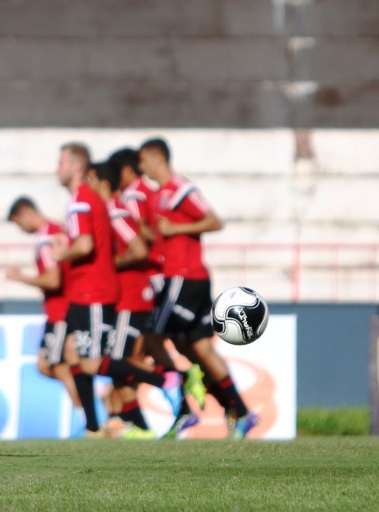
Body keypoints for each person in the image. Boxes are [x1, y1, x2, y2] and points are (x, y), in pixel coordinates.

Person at [51, 143, 180, 437]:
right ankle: (94, 427)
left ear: (77, 167)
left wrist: (63, 254)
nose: (55, 170)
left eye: (60, 163)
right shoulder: (88, 200)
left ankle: (166, 381)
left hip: (95, 292)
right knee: (73, 354)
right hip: (85, 291)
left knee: (93, 362)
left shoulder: (84, 200)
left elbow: (86, 245)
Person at [138, 137, 259, 439]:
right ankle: (241, 412)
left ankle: (184, 402)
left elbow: (214, 221)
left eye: (144, 161)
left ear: (157, 159)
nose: (142, 168)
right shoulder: (159, 196)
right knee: (200, 347)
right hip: (184, 277)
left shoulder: (181, 190)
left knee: (151, 338)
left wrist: (176, 228)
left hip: (185, 277)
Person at [86, 161, 184, 439]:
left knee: (112, 360)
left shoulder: (115, 211)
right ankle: (131, 423)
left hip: (131, 296)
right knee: (121, 364)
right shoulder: (108, 211)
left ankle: (166, 379)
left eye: (90, 181)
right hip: (122, 297)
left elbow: (139, 248)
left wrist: (106, 266)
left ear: (103, 183)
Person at [5, 196, 79, 409]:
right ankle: (90, 406)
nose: (21, 229)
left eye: (19, 223)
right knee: (55, 364)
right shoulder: (59, 229)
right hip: (67, 307)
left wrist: (20, 277)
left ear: (25, 214)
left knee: (54, 365)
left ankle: (89, 417)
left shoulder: (46, 238)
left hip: (60, 311)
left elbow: (53, 279)